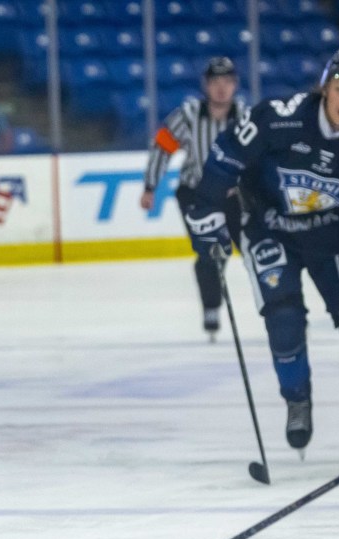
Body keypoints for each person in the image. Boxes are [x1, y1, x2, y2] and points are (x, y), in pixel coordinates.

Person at [185, 47, 339, 462]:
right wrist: (206, 210)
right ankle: (298, 404)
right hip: (268, 229)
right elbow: (226, 157)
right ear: (325, 87)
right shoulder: (279, 116)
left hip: (334, 237)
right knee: (284, 318)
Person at [141, 56, 247, 340]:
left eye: (227, 82)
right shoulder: (188, 115)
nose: (222, 89)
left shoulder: (246, 116)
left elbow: (262, 157)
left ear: (235, 85)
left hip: (234, 196)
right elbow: (162, 146)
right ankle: (211, 306)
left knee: (251, 248)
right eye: (216, 83)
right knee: (208, 249)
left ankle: (283, 309)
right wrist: (150, 186)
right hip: (195, 193)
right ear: (206, 86)